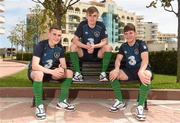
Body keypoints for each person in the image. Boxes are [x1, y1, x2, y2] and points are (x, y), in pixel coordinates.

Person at [28, 25, 75, 120]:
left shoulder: (60, 48)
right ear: (49, 34)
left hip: (49, 73)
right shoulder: (41, 45)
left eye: (59, 35)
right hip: (35, 72)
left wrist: (61, 70)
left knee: (69, 73)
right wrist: (52, 71)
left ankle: (62, 102)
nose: (57, 37)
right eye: (54, 34)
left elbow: (64, 65)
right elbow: (35, 66)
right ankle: (39, 106)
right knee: (39, 74)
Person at [109, 23, 152, 121]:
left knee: (146, 75)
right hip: (129, 71)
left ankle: (140, 106)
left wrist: (141, 71)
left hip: (142, 69)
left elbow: (145, 60)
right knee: (113, 74)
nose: (128, 35)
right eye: (126, 33)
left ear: (135, 34)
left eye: (131, 33)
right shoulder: (123, 46)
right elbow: (118, 60)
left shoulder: (141, 44)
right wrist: (116, 69)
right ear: (124, 35)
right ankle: (120, 101)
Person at [70, 6, 112, 82]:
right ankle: (78, 74)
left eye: (94, 16)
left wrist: (94, 46)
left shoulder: (101, 25)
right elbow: (75, 40)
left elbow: (105, 41)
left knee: (108, 47)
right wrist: (86, 47)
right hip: (84, 52)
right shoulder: (82, 24)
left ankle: (103, 74)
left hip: (97, 53)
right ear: (86, 16)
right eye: (90, 15)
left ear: (97, 16)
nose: (92, 18)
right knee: (73, 46)